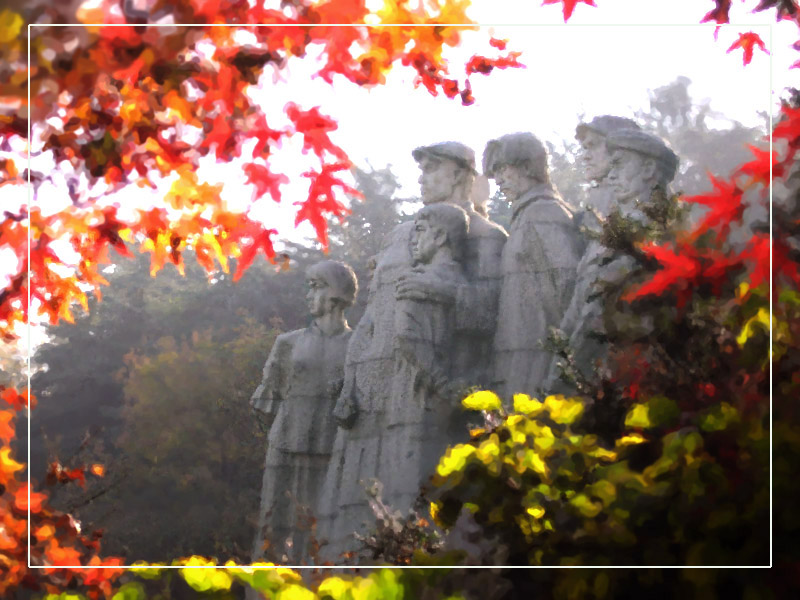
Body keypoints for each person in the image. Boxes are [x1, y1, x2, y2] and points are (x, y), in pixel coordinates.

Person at [316, 142, 506, 562]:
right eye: (421, 170)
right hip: (369, 392)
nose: (421, 178)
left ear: (461, 174)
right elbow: (370, 315)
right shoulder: (403, 235)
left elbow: (496, 313)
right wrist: (350, 379)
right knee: (357, 512)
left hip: (427, 391)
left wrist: (448, 293)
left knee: (417, 504)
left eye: (432, 169)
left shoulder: (486, 236)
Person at [249, 260, 357, 565]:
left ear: (337, 293)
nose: (308, 295)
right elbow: (267, 399)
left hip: (332, 446)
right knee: (275, 521)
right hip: (286, 443)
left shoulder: (359, 346)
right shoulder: (287, 343)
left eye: (316, 286)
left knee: (325, 525)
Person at [383, 202, 469, 512]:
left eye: (419, 231)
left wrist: (443, 383)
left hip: (418, 394)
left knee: (409, 497)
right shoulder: (463, 282)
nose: (413, 241)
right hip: (453, 398)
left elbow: (407, 339)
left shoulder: (416, 281)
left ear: (441, 237)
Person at [485, 132, 584, 399]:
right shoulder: (527, 214)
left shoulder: (542, 212)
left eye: (504, 168)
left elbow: (565, 287)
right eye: (495, 172)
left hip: (539, 360)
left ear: (528, 166)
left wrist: (563, 357)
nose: (498, 180)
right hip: (523, 355)